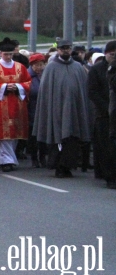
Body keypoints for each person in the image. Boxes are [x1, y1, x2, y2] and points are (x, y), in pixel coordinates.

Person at [34, 40, 92, 178]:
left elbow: (83, 90)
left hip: (74, 111)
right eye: (63, 49)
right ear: (58, 50)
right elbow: (46, 93)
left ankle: (68, 166)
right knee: (58, 140)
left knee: (72, 140)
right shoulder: (51, 68)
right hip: (56, 111)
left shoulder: (78, 67)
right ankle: (58, 166)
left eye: (68, 48)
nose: (65, 51)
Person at [0, 38, 31, 172]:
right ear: (0, 53)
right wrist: (5, 87)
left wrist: (18, 86)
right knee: (2, 134)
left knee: (14, 134)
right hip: (1, 104)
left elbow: (29, 82)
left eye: (10, 54)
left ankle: (9, 157)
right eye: (5, 54)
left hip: (18, 104)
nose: (8, 57)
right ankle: (5, 160)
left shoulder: (20, 67)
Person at [90, 42, 116, 188]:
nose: (114, 57)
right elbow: (92, 91)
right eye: (112, 54)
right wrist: (106, 108)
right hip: (104, 114)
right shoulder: (97, 69)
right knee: (107, 147)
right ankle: (109, 176)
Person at [26, 53, 47, 168]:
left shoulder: (45, 75)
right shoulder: (28, 76)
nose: (39, 67)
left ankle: (43, 156)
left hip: (43, 109)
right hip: (32, 109)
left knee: (43, 135)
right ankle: (34, 158)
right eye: (37, 65)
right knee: (33, 136)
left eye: (41, 65)